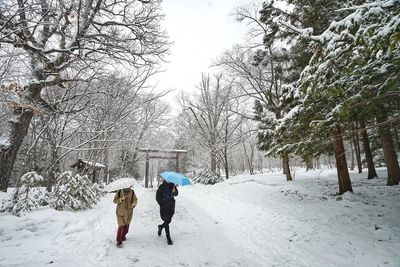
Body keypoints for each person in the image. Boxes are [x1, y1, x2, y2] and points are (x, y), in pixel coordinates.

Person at [156, 179, 178, 245]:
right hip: (164, 207)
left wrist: (174, 192)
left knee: (168, 221)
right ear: (165, 179)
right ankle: (168, 238)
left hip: (171, 206)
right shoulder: (161, 187)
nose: (169, 180)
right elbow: (157, 197)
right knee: (166, 220)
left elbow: (176, 194)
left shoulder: (173, 186)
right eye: (167, 179)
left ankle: (160, 227)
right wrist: (162, 203)